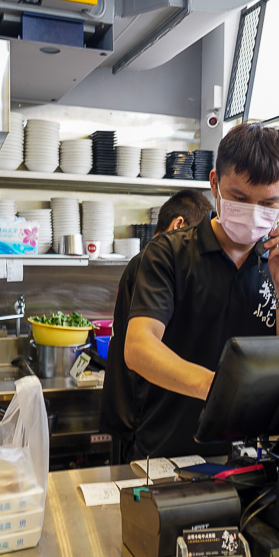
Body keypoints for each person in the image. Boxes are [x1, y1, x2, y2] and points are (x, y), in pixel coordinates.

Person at [122, 123, 279, 461]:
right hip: (172, 454)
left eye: (270, 203)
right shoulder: (169, 254)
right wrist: (218, 387)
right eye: (240, 198)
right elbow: (139, 347)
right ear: (214, 184)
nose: (254, 213)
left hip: (256, 459)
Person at [99, 189, 213, 463]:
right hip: (139, 418)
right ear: (179, 225)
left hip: (130, 414)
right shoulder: (154, 262)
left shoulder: (141, 263)